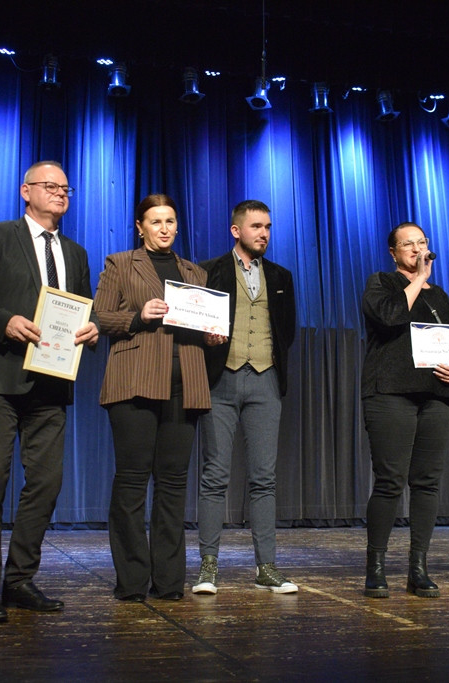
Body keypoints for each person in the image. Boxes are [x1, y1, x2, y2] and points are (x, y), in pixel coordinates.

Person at [0, 161, 99, 623]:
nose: (59, 193)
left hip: (50, 382)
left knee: (47, 484)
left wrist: (91, 331)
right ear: (25, 191)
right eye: (49, 186)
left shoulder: (75, 252)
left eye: (65, 188)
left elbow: (80, 309)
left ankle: (18, 580)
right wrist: (4, 321)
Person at [96, 194, 222, 601]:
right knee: (132, 482)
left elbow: (202, 324)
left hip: (184, 386)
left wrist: (213, 334)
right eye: (155, 221)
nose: (164, 228)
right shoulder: (120, 263)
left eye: (170, 221)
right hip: (134, 381)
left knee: (172, 485)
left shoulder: (194, 272)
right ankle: (132, 580)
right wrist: (137, 316)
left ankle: (168, 581)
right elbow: (99, 316)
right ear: (140, 226)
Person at [360, 223, 449, 599]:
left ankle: (418, 567)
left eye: (421, 243)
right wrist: (418, 278)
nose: (416, 248)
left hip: (436, 395)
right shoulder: (382, 283)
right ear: (393, 253)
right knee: (391, 480)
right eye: (407, 244)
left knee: (427, 482)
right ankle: (375, 567)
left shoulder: (439, 296)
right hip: (390, 391)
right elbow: (390, 317)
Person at [193, 200, 298, 595]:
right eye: (256, 226)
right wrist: (208, 339)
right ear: (236, 230)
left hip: (265, 381)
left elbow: (287, 330)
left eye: (268, 227)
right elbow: (196, 319)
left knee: (264, 478)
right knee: (215, 475)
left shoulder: (281, 275)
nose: (264, 233)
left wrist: (269, 363)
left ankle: (266, 567)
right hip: (221, 379)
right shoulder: (209, 270)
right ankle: (208, 566)